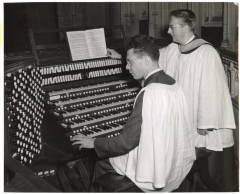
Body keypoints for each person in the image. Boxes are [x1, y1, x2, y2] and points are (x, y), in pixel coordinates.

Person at [107, 9, 238, 192]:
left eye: (172, 27)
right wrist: (121, 56)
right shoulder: (173, 49)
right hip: (183, 117)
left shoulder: (206, 52)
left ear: (186, 27)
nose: (168, 31)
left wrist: (205, 123)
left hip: (204, 126)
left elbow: (212, 90)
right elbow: (149, 59)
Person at [71, 34, 196, 192]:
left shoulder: (149, 93)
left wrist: (93, 142)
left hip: (155, 169)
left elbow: (126, 142)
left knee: (102, 162)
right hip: (173, 159)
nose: (126, 67)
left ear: (146, 61)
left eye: (130, 62)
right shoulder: (171, 83)